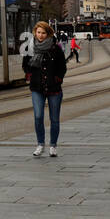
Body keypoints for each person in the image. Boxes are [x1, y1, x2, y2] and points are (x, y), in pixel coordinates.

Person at [23, 20, 67, 157]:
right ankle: (40, 144)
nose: (41, 35)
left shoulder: (56, 48)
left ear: (48, 34)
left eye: (43, 33)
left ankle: (53, 146)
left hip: (54, 88)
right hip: (37, 87)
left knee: (54, 119)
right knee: (38, 116)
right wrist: (30, 74)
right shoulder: (29, 48)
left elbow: (62, 67)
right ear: (35, 33)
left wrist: (57, 79)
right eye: (38, 32)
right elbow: (25, 65)